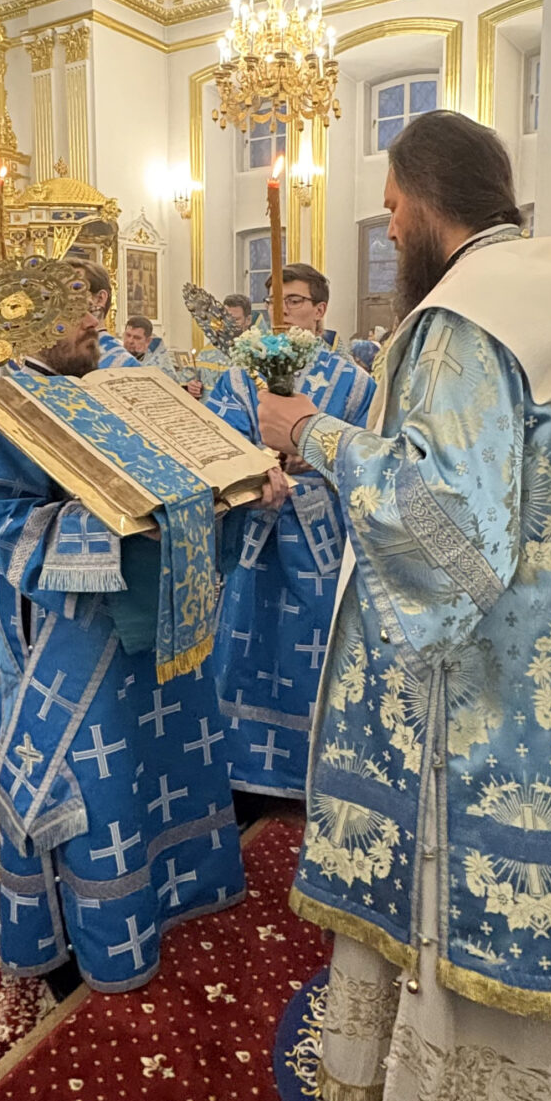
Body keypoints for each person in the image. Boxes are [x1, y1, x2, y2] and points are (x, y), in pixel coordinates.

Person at [257, 113, 551, 1101]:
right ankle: (468, 1086)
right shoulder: (542, 290)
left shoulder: (466, 318)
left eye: (392, 207)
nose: (388, 228)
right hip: (538, 650)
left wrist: (309, 433)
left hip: (468, 676)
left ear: (429, 197)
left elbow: (452, 527)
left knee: (450, 864)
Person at [0, 258, 253, 992]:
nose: (98, 320)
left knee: (157, 761)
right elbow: (8, 527)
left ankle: (173, 890)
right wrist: (127, 521)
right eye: (79, 311)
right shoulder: (4, 409)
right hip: (72, 637)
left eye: (95, 306)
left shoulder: (104, 391)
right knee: (98, 789)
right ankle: (90, 933)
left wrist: (230, 490)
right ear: (34, 323)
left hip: (150, 619)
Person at [206, 263, 373, 805]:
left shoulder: (355, 382)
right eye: (275, 302)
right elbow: (214, 435)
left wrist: (318, 453)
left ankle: (313, 769)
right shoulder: (239, 376)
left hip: (320, 542)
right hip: (253, 532)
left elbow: (372, 455)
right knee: (244, 642)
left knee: (314, 648)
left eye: (296, 301)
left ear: (321, 309)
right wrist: (254, 461)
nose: (283, 312)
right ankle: (241, 768)